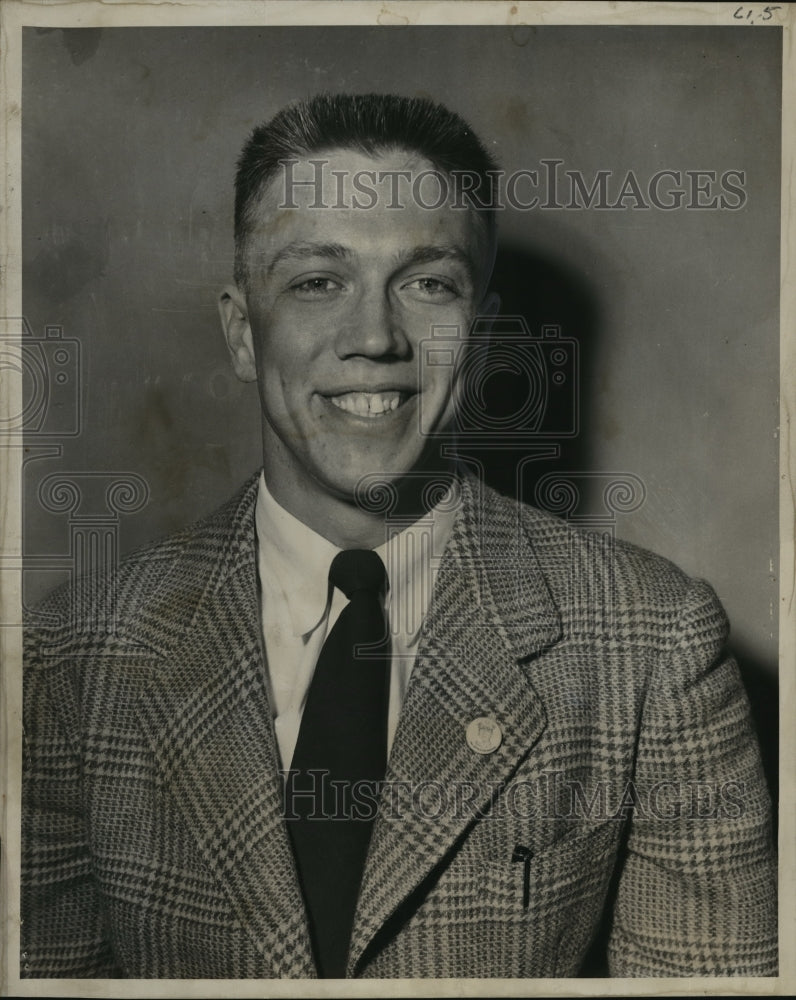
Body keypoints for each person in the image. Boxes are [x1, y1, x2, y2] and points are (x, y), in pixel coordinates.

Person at [21, 93, 777, 980]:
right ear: (240, 330)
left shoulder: (653, 644)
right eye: (316, 281)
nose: (376, 336)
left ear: (483, 335)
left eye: (427, 284)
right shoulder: (75, 652)